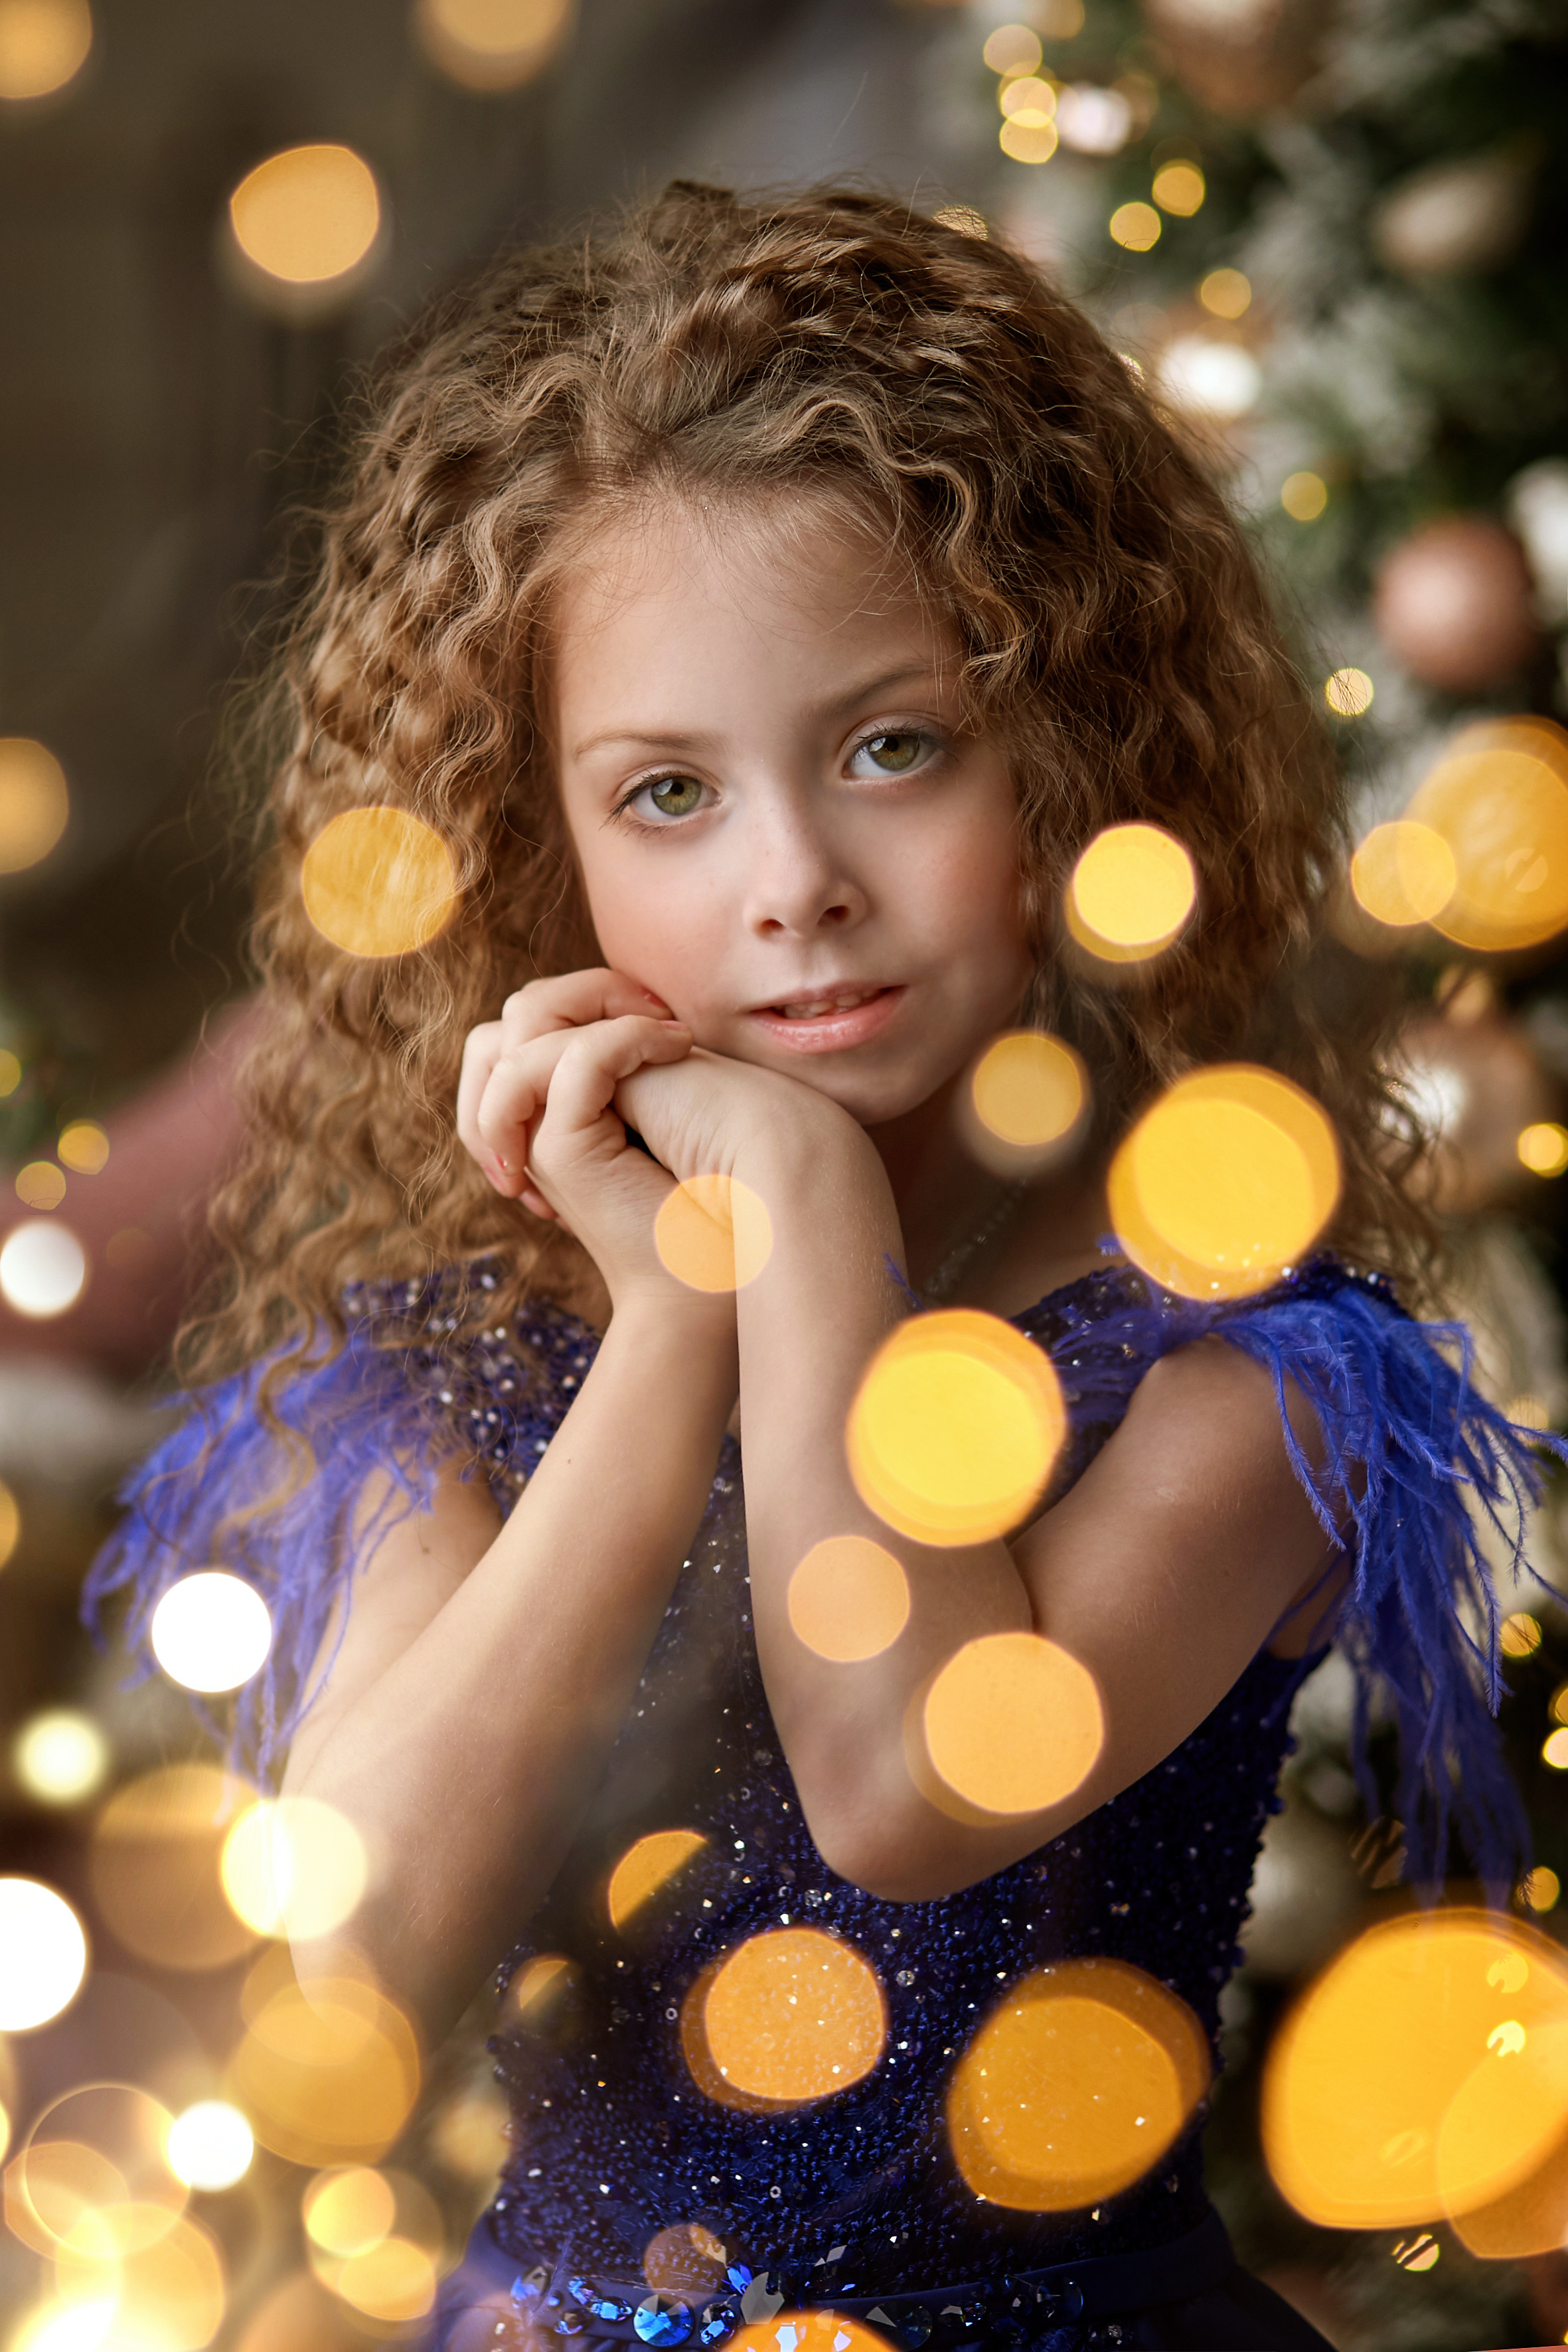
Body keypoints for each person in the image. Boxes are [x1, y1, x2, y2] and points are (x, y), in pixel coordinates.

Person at [85, 185, 1553, 2352]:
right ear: (534, 836)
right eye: (667, 793)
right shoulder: (447, 1371)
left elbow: (905, 1794)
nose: (794, 887)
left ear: (1072, 747)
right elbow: (342, 1969)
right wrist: (681, 1311)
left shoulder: (1234, 1379)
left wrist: (804, 1235)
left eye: (892, 748)